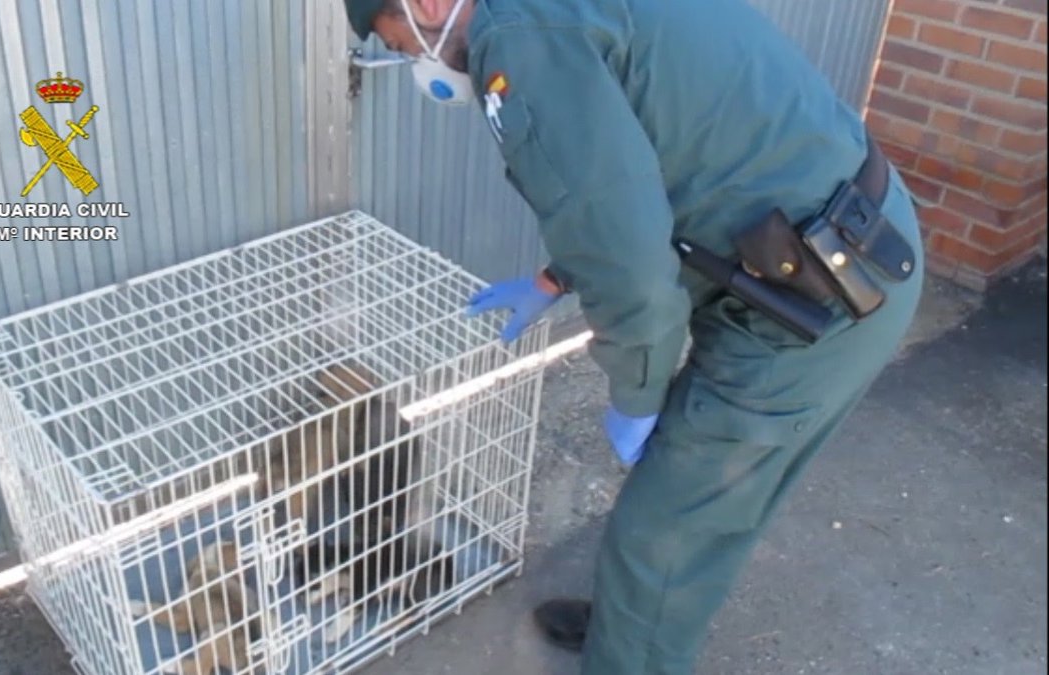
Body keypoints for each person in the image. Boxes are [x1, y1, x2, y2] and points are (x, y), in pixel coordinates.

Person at [341, 0, 925, 673]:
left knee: (669, 525)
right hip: (816, 237)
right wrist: (555, 279)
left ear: (426, 5)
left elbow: (636, 273)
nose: (415, 61)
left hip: (824, 291)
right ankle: (635, 623)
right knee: (689, 508)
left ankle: (636, 650)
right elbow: (631, 172)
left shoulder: (517, 37)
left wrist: (638, 391)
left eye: (400, 44)